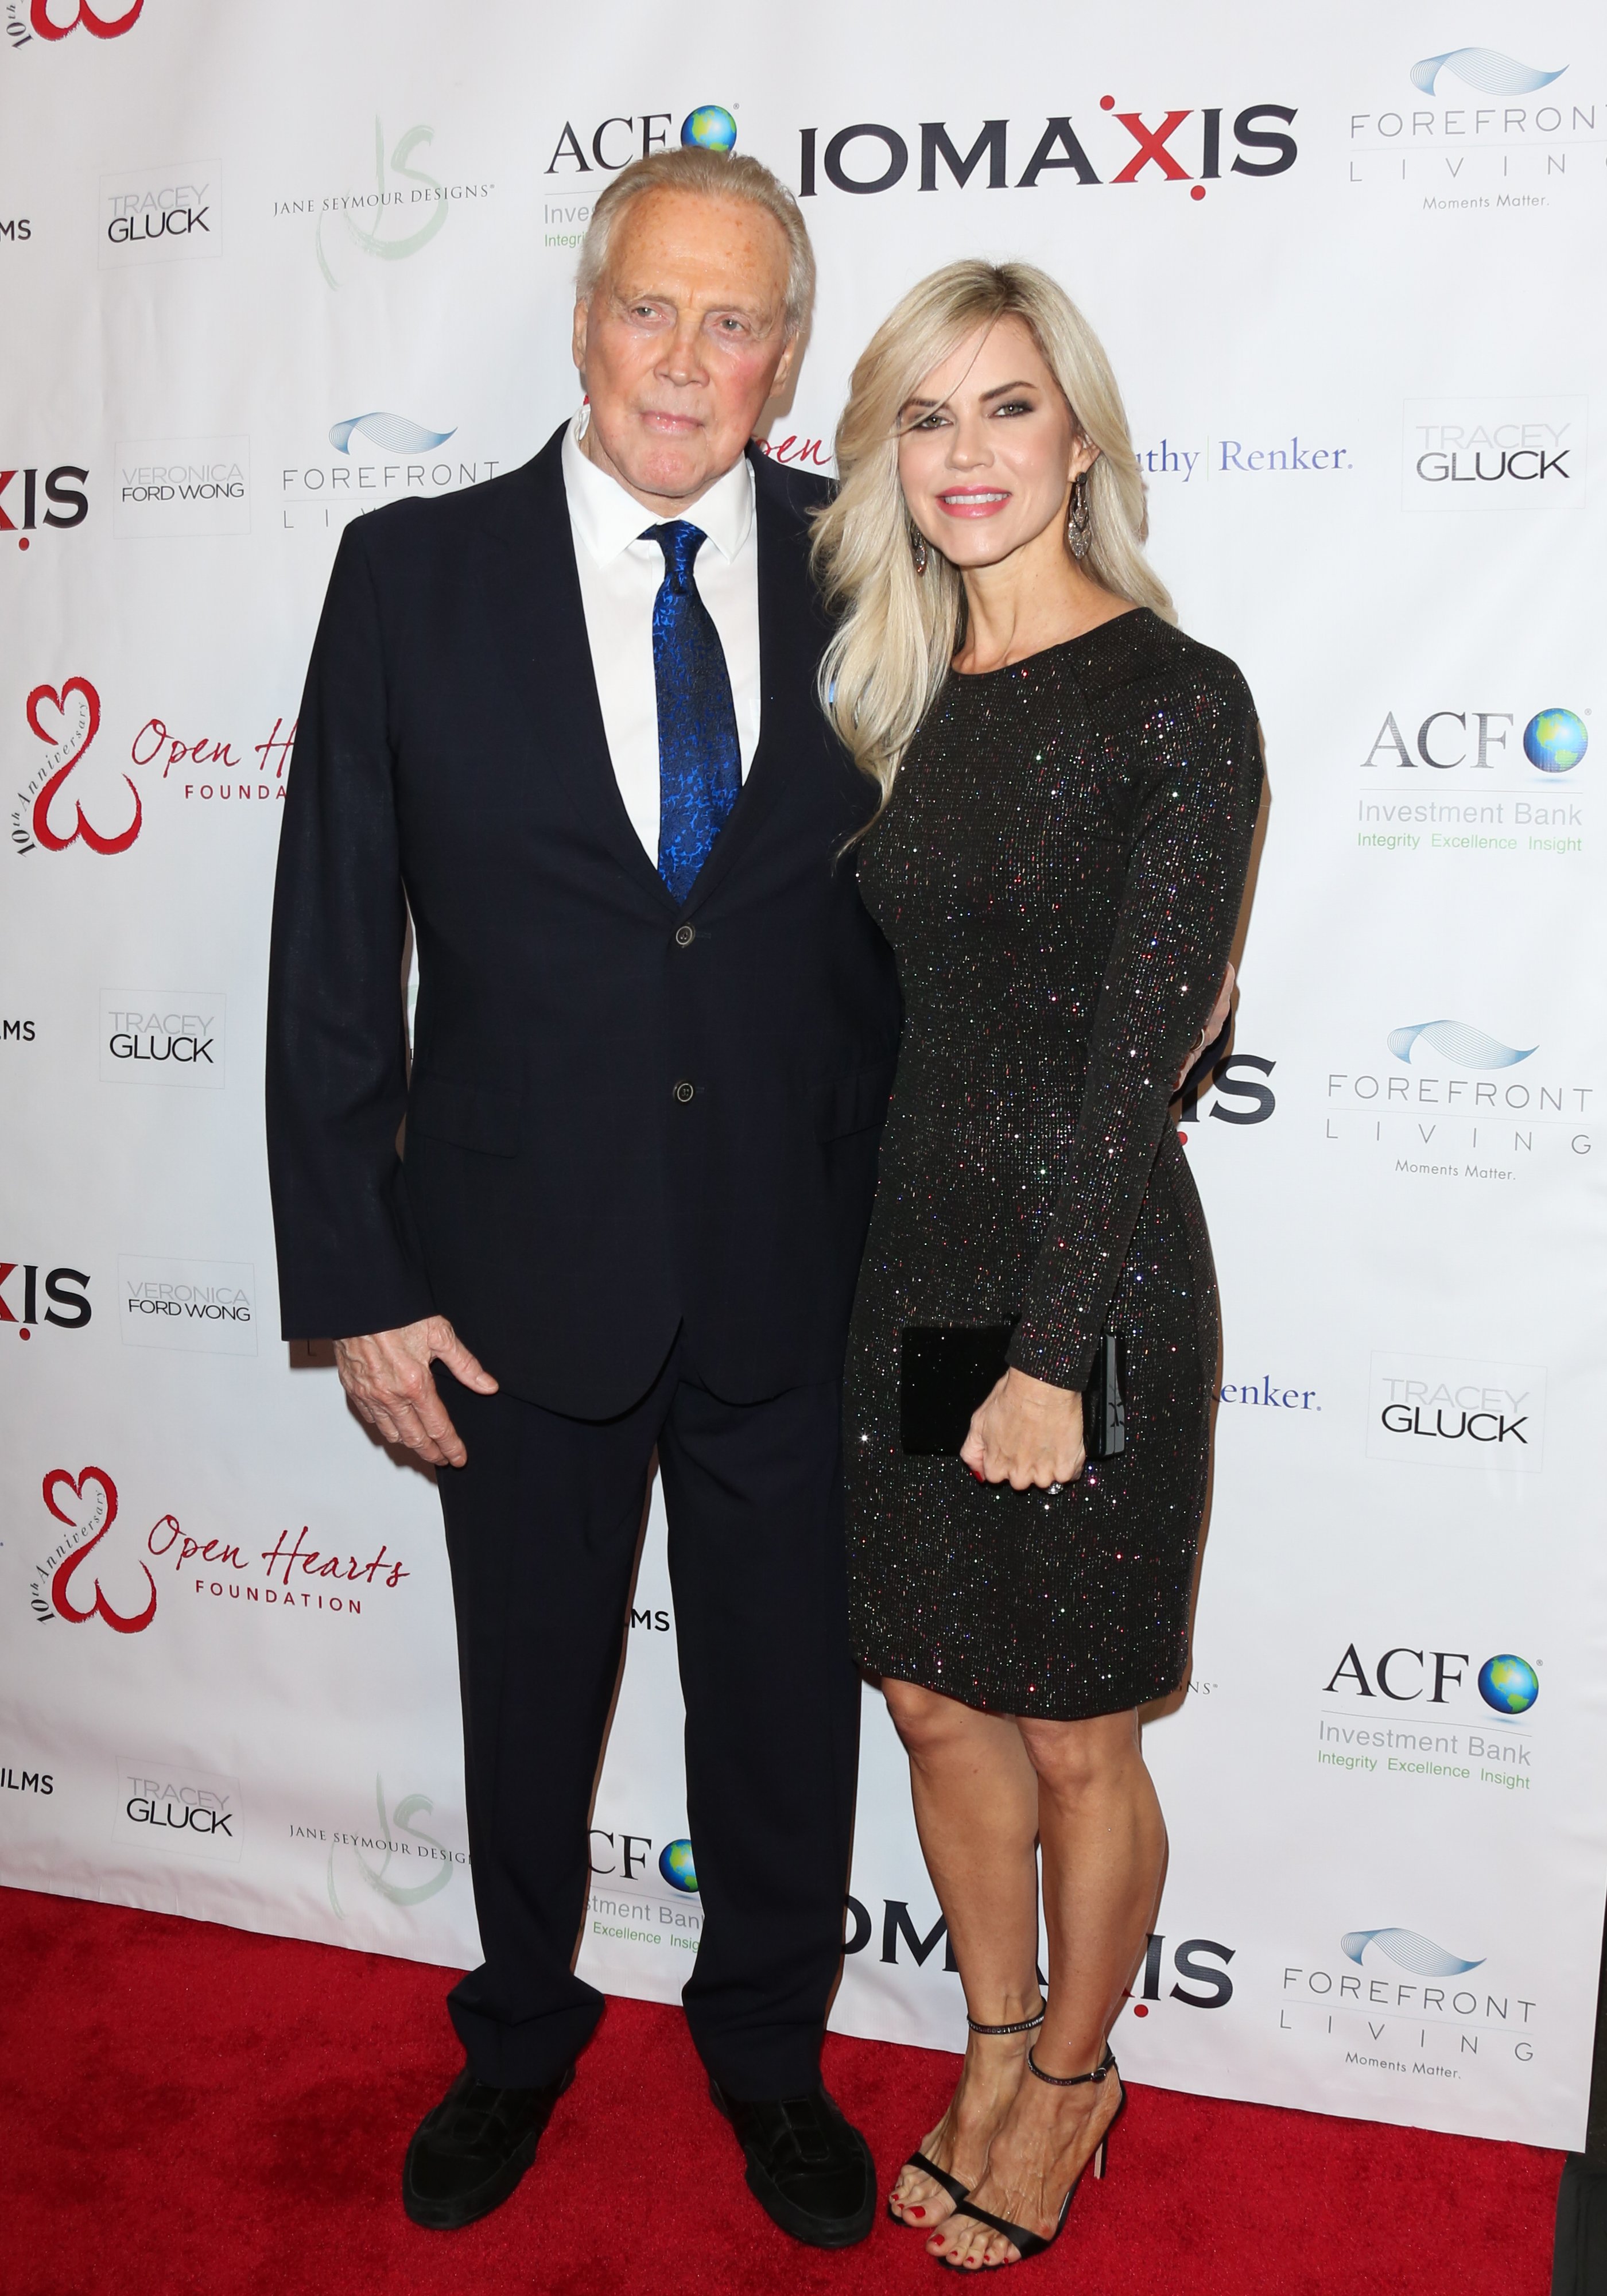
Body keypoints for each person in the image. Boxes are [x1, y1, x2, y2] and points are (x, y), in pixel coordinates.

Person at [265, 146, 899, 2247]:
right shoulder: (411, 576)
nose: (689, 358)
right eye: (656, 306)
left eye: (738, 322)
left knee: (787, 1708)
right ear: (584, 317)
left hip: (798, 1277)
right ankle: (518, 2035)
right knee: (527, 1692)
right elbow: (337, 950)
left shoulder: (872, 565)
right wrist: (357, 1275)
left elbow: (924, 943)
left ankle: (770, 2059)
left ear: (787, 358)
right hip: (512, 1281)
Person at [816, 260, 1263, 2270]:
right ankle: (996, 2042)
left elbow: (1132, 1062)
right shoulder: (896, 699)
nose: (967, 454)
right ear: (887, 456)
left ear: (1079, 439)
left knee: (1079, 1725)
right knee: (929, 1695)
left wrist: (1053, 1355)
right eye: (927, 415)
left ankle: (1073, 2088)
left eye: (1008, 408)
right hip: (923, 1272)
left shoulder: (1177, 699)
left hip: (1082, 1287)